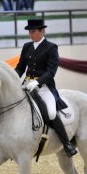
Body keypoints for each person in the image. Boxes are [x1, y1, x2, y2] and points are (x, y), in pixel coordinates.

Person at [15, 19, 78, 157]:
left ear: (42, 31)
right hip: (26, 85)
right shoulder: (27, 46)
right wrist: (13, 76)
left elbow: (51, 72)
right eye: (29, 32)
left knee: (51, 113)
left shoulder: (51, 47)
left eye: (33, 31)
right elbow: (20, 67)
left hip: (44, 87)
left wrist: (37, 82)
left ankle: (67, 144)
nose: (31, 34)